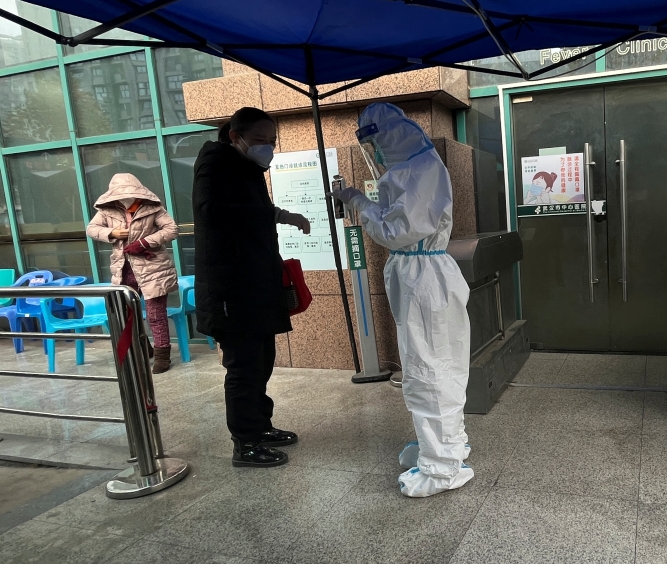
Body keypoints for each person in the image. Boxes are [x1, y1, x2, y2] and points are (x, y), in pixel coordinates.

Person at [333, 102, 473, 498]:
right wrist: (360, 199)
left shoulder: (420, 171)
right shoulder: (412, 169)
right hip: (421, 277)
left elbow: (397, 232)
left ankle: (443, 468)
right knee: (432, 365)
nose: (373, 153)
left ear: (388, 139)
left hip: (423, 280)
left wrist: (359, 203)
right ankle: (446, 446)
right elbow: (399, 221)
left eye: (374, 143)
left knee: (430, 370)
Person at [193, 106, 310, 468]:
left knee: (263, 362)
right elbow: (211, 210)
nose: (268, 148)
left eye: (272, 141)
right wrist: (271, 215)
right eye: (260, 141)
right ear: (235, 136)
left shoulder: (247, 166)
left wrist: (282, 215)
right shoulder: (214, 162)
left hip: (256, 284)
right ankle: (245, 443)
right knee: (244, 367)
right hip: (230, 288)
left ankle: (260, 426)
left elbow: (250, 208)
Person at [87, 173, 179, 373]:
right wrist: (110, 233)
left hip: (153, 267)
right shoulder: (107, 210)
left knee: (156, 313)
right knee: (129, 314)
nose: (125, 197)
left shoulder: (153, 207)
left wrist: (144, 242)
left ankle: (163, 354)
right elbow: (91, 228)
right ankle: (143, 347)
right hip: (123, 269)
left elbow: (171, 229)